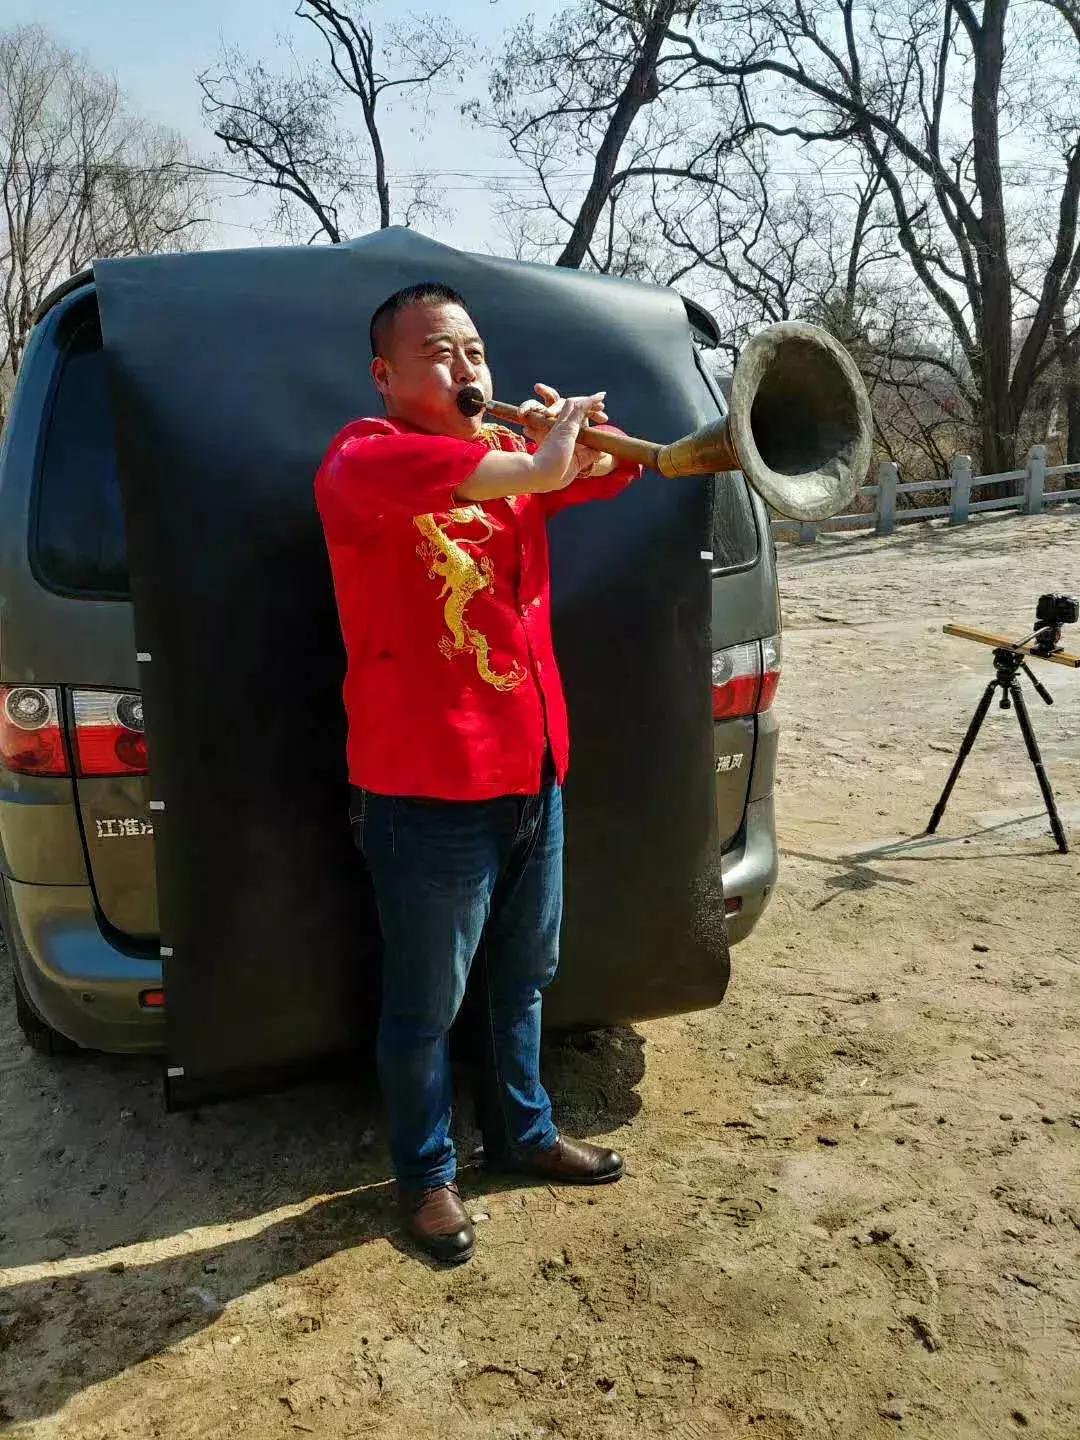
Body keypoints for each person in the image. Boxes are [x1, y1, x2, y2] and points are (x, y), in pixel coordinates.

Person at [314, 281, 643, 1265]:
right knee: (424, 1006)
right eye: (442, 354)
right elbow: (472, 479)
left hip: (532, 771)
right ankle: (425, 1180)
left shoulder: (506, 467)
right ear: (385, 375)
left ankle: (525, 1134)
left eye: (477, 354)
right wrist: (535, 464)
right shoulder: (360, 460)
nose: (468, 370)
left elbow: (611, 479)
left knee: (525, 979)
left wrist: (578, 437)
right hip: (423, 794)